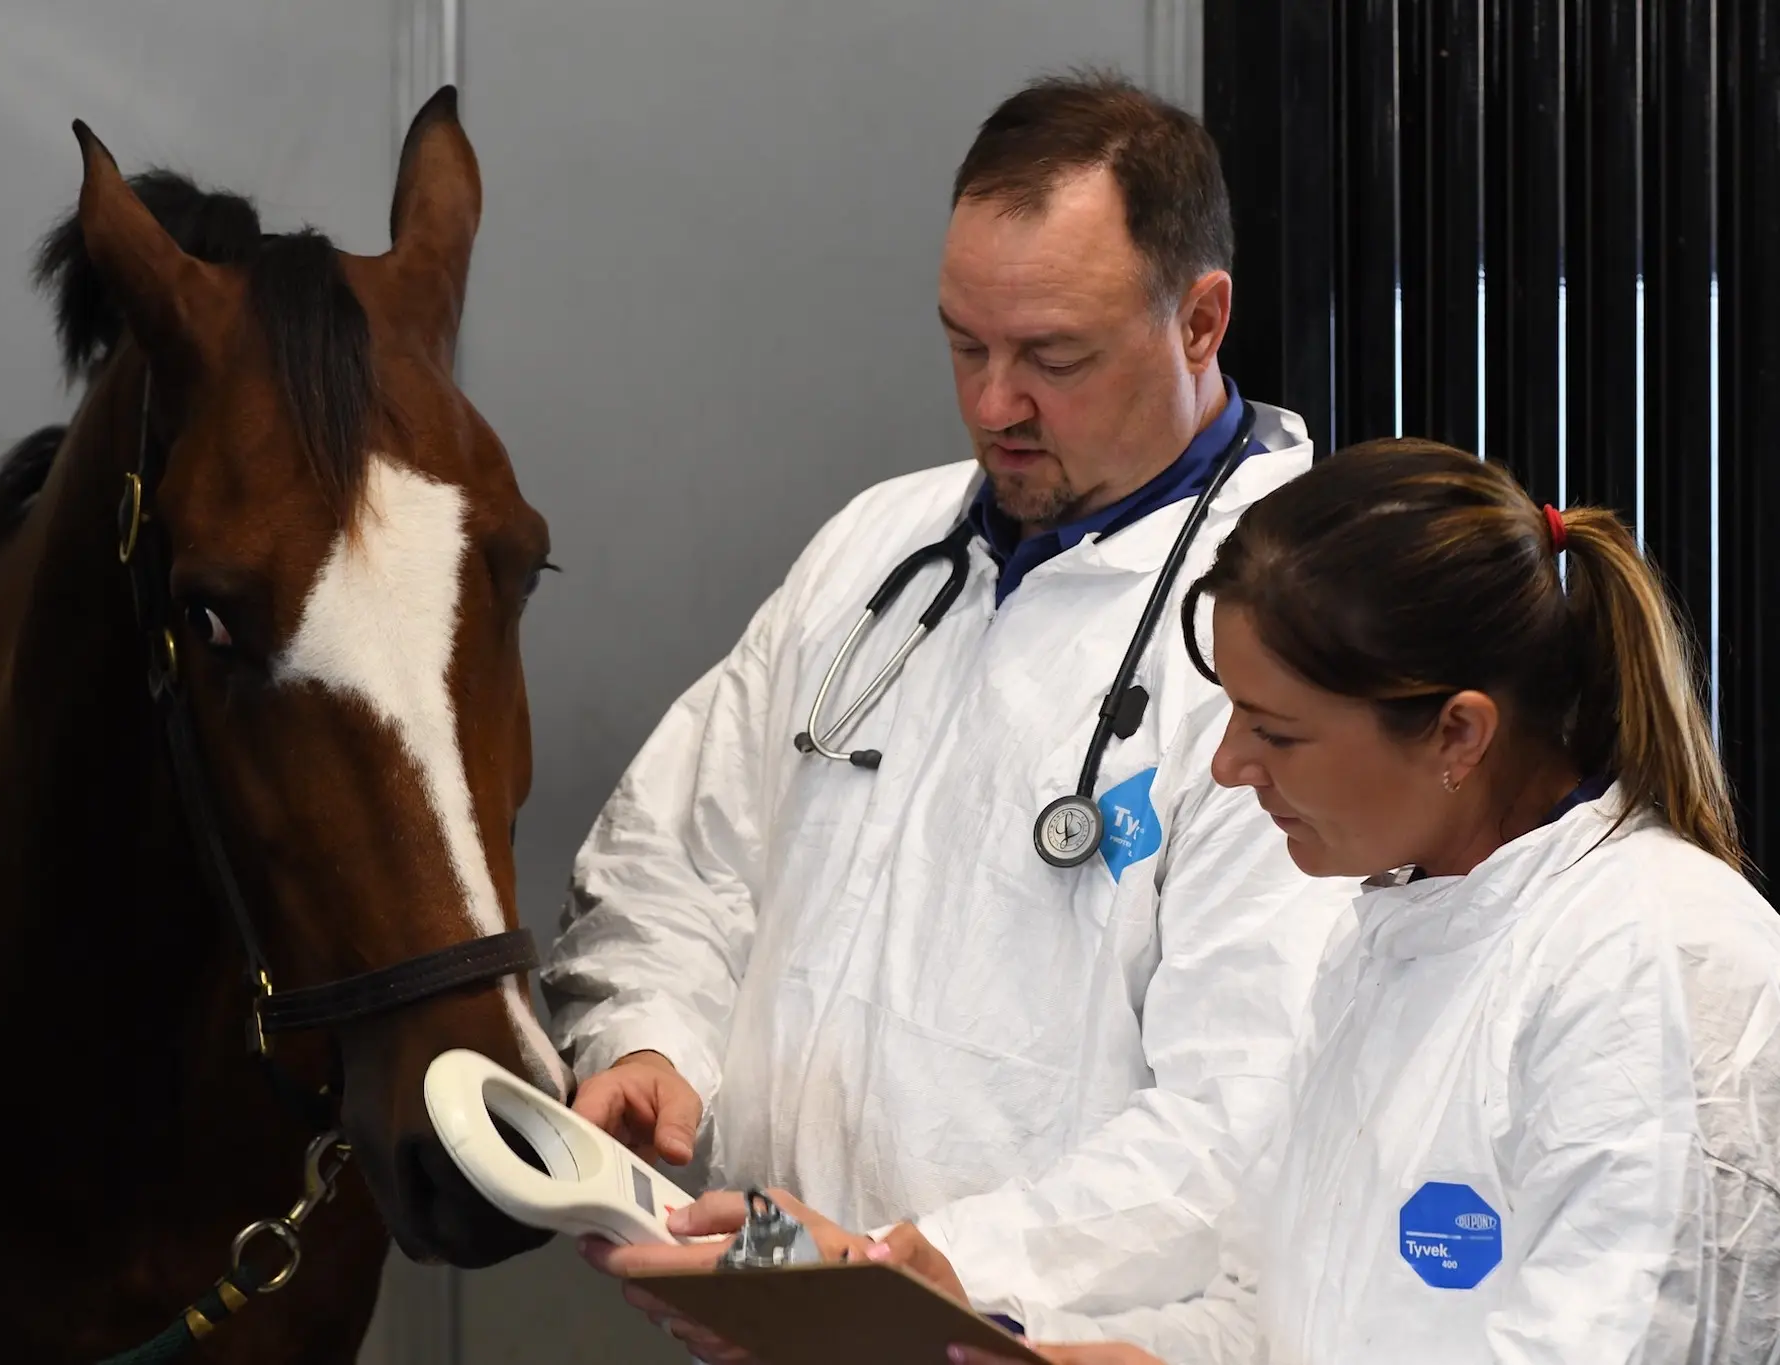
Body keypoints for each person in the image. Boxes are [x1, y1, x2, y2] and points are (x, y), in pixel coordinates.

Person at [543, 70, 1359, 1339]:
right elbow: (680, 860)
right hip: (781, 1305)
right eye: (963, 345)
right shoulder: (875, 547)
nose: (993, 406)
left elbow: (1246, 1120)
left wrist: (906, 1264)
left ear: (1200, 321)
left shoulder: (1291, 639)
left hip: (1042, 1338)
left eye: (1052, 357)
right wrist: (653, 1049)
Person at [940, 439, 1780, 1362]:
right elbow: (1275, 1322)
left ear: (1458, 731)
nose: (1228, 766)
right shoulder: (1387, 945)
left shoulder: (1664, 964)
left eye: (1278, 733)